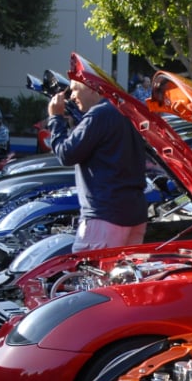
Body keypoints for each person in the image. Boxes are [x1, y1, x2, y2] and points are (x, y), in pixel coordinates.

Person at [47, 77, 147, 253]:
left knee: (92, 277)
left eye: (75, 89)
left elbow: (66, 154)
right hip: (134, 215)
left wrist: (55, 118)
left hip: (104, 217)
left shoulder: (99, 114)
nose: (71, 97)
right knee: (123, 278)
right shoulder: (127, 111)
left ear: (93, 89)